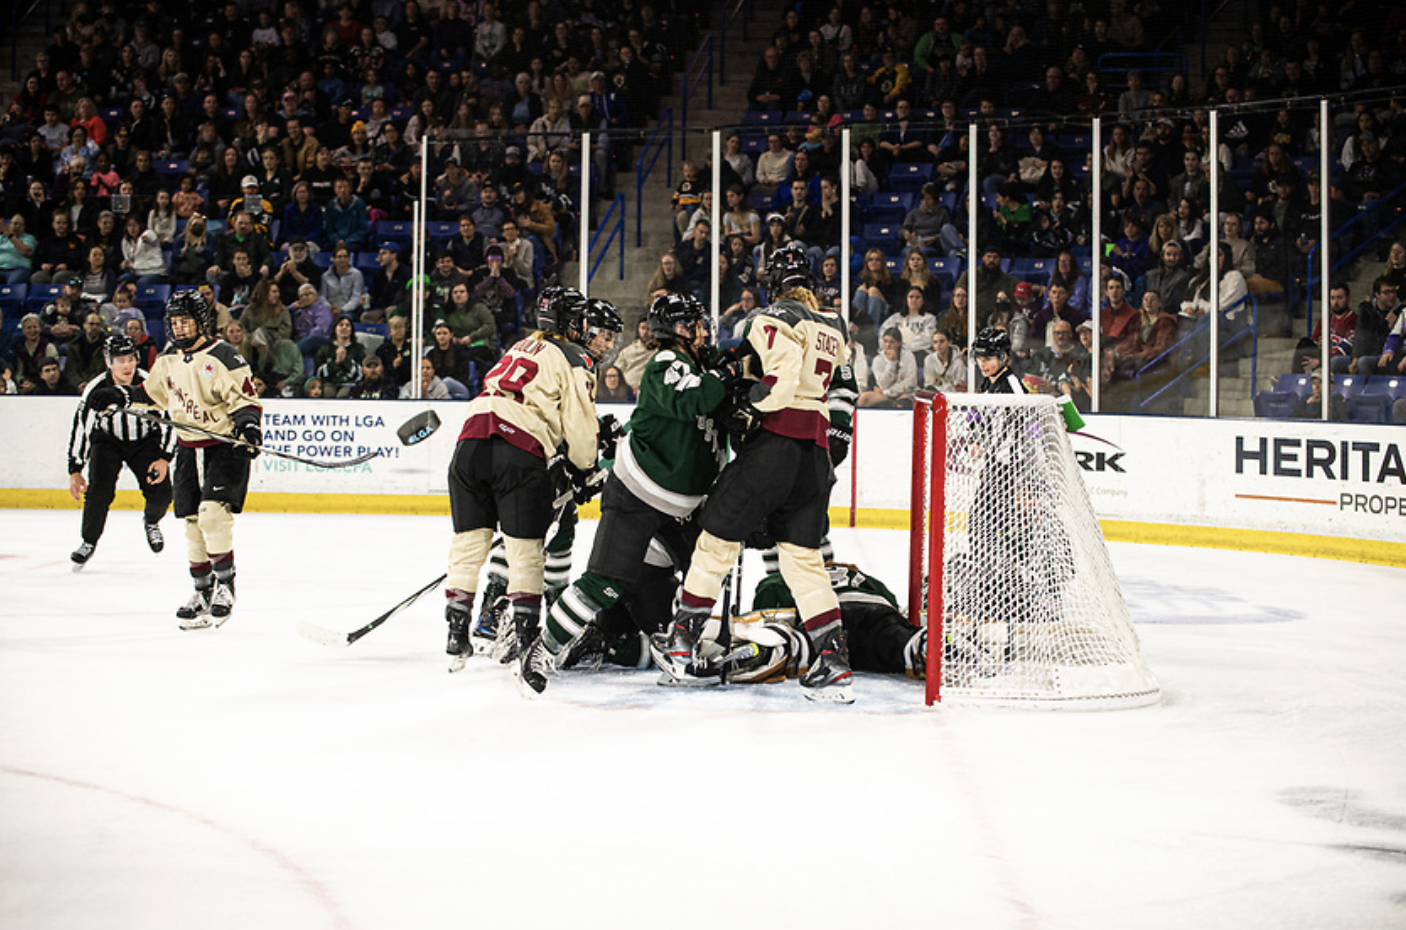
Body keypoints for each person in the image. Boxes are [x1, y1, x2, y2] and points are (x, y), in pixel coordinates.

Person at [658, 244, 854, 702]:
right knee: (803, 558)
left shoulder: (769, 318)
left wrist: (750, 407)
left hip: (775, 446)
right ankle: (833, 657)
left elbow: (780, 381)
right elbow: (839, 385)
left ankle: (684, 637)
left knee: (716, 541)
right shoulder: (835, 326)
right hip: (815, 454)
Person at [515, 293, 733, 693]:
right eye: (696, 324)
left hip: (685, 507)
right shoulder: (667, 363)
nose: (705, 331)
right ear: (680, 330)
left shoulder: (700, 367)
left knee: (708, 573)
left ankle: (678, 648)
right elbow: (695, 399)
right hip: (639, 495)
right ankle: (542, 649)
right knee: (605, 583)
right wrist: (726, 375)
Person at [442, 288, 615, 677]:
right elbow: (581, 430)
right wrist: (586, 469)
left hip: (470, 439)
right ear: (572, 323)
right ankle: (524, 638)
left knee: (468, 546)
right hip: (517, 449)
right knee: (526, 552)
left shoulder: (521, 345)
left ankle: (457, 632)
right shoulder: (575, 357)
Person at [89, 290, 262, 629]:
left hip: (224, 447)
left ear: (202, 322)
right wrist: (119, 396)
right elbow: (151, 396)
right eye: (176, 323)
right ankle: (202, 591)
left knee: (213, 515)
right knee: (193, 522)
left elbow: (246, 402)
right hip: (188, 449)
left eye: (187, 322)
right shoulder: (168, 359)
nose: (181, 329)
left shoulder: (224, 356)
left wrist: (249, 428)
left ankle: (225, 586)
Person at [67, 334, 175, 568]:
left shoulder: (150, 384)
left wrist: (164, 458)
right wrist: (75, 469)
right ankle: (88, 542)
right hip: (107, 441)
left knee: (162, 491)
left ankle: (152, 521)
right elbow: (82, 427)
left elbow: (170, 419)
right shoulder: (95, 389)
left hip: (145, 441)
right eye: (119, 360)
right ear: (108, 363)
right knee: (98, 492)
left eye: (130, 359)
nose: (126, 365)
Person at [859, 327, 918, 408]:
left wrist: (888, 392)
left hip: (905, 393)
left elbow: (910, 382)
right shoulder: (877, 360)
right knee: (864, 399)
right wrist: (892, 363)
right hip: (885, 394)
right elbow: (883, 384)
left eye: (892, 342)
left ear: (899, 343)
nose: (888, 345)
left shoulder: (908, 356)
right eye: (885, 341)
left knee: (902, 402)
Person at [973, 326, 1024, 393]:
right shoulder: (987, 381)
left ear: (1003, 357)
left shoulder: (1012, 386)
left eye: (988, 359)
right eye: (979, 358)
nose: (982, 364)